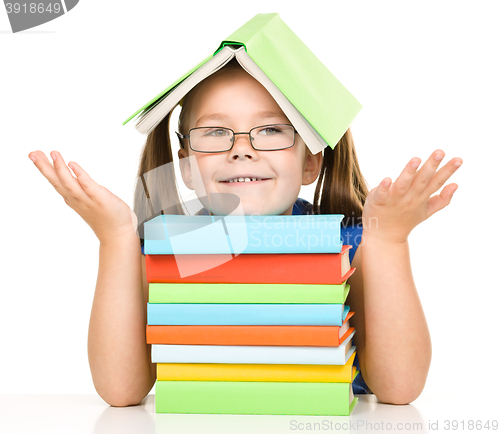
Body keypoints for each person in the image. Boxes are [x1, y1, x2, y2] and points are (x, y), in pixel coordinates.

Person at [27, 58, 462, 407]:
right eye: (216, 132)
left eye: (271, 130)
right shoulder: (164, 253)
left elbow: (400, 389)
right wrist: (115, 239)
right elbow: (121, 392)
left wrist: (388, 242)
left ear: (311, 161)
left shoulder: (351, 248)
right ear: (186, 166)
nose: (241, 149)